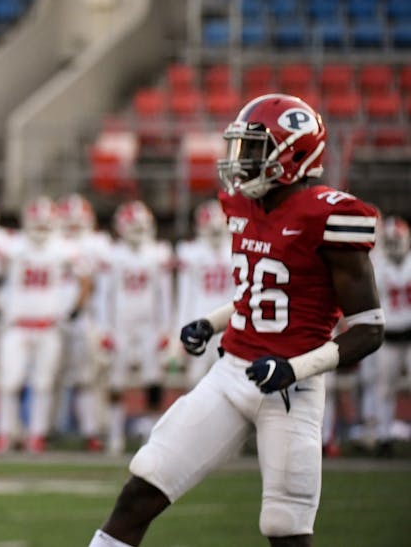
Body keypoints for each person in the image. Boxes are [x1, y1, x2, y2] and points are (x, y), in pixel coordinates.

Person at [88, 93, 384, 547]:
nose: (241, 161)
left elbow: (369, 328)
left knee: (285, 530)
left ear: (295, 154)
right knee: (141, 488)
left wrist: (295, 368)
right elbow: (261, 295)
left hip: (291, 388)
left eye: (254, 149)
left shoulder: (330, 216)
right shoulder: (243, 205)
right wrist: (211, 322)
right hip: (231, 373)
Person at [0, 195, 81, 454]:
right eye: (38, 224)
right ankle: (5, 433)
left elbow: (86, 280)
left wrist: (72, 308)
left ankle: (36, 434)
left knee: (42, 384)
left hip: (48, 326)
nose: (41, 230)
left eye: (46, 225)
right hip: (17, 325)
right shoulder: (13, 246)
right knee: (9, 381)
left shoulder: (63, 249)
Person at [96, 199, 174, 455]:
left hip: (149, 325)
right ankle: (115, 434)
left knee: (153, 380)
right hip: (120, 324)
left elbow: (165, 294)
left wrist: (165, 328)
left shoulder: (158, 253)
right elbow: (104, 295)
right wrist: (104, 329)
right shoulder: (113, 254)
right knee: (116, 381)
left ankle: (151, 433)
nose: (137, 231)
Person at [55, 192, 109, 450]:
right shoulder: (52, 243)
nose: (73, 227)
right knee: (49, 376)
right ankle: (44, 430)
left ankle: (91, 430)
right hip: (53, 318)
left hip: (86, 317)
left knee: (87, 377)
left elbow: (105, 285)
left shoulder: (98, 244)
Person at [173, 198, 234, 387]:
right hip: (201, 316)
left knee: (229, 379)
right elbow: (185, 295)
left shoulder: (235, 249)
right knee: (196, 379)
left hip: (226, 318)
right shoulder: (191, 252)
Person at [369, 214, 411, 455]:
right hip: (389, 336)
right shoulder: (378, 264)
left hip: (409, 334)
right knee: (384, 388)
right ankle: (384, 437)